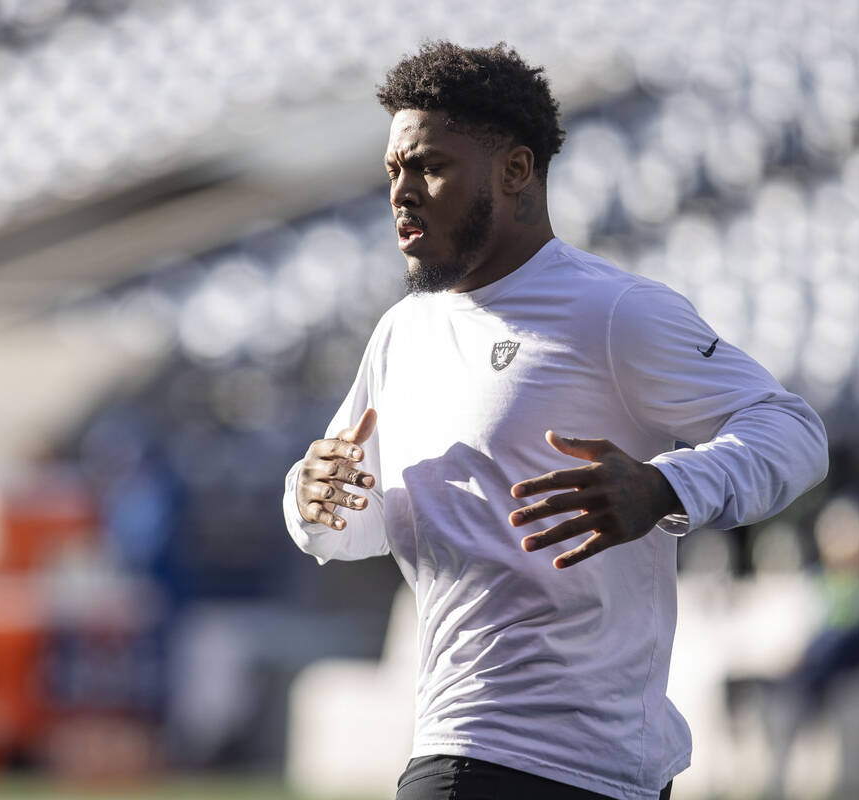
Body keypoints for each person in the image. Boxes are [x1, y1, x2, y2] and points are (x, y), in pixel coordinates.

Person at [282, 41, 829, 800]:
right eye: (393, 170)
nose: (401, 192)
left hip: (618, 774)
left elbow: (793, 430)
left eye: (430, 166)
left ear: (515, 172)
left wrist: (666, 488)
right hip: (471, 751)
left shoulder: (614, 312)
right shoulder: (403, 334)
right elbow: (359, 519)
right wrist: (308, 500)